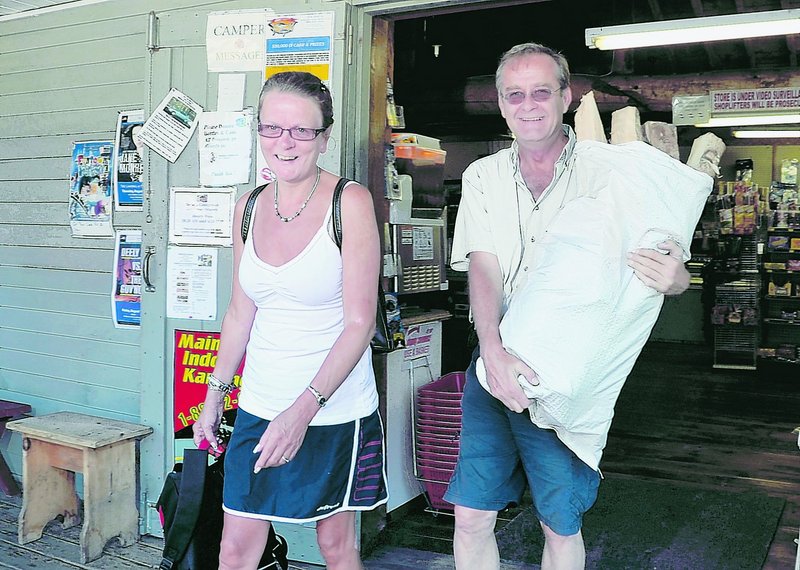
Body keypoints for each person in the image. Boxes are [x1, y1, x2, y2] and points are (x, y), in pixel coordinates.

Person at [444, 43, 691, 570]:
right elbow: (482, 267)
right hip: (495, 364)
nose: (528, 105)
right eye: (515, 94)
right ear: (501, 102)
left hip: (572, 375)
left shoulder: (612, 170)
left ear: (566, 96)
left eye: (541, 92)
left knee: (559, 525)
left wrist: (677, 279)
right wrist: (492, 352)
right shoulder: (481, 176)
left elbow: (669, 255)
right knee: (470, 516)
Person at [193, 71, 387, 570]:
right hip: (260, 404)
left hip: (332, 408)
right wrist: (214, 395)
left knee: (335, 546)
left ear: (323, 138)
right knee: (235, 546)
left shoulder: (351, 203)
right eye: (273, 128)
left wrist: (302, 413)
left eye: (302, 130)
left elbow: (360, 323)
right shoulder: (247, 208)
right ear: (258, 131)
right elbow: (241, 311)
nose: (286, 142)